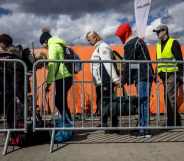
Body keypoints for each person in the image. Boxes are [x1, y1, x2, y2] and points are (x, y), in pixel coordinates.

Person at [115, 23, 154, 137]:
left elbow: (128, 64)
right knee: (143, 102)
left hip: (142, 76)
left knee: (143, 102)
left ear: (126, 34)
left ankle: (144, 131)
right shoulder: (137, 41)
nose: (120, 38)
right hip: (144, 75)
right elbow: (136, 63)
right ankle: (142, 128)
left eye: (121, 36)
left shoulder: (130, 43)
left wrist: (123, 80)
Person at [85, 31, 120, 131]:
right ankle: (104, 123)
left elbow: (108, 64)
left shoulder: (103, 47)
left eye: (89, 39)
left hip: (105, 81)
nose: (88, 42)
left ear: (95, 37)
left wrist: (115, 79)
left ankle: (114, 125)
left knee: (108, 103)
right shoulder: (98, 48)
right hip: (101, 82)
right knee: (103, 102)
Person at [153, 24, 183, 126]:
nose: (157, 34)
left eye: (158, 31)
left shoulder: (173, 43)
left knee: (170, 98)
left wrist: (181, 76)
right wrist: (155, 74)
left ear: (165, 31)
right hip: (163, 75)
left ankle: (173, 122)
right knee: (168, 98)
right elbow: (158, 61)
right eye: (156, 32)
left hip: (172, 74)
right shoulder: (157, 45)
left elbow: (179, 60)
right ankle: (175, 120)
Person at [39, 30, 73, 120]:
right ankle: (67, 122)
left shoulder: (53, 46)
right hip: (65, 76)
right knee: (61, 101)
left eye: (42, 44)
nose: (43, 47)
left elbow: (53, 65)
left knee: (59, 101)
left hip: (63, 76)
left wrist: (48, 82)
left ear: (45, 41)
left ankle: (68, 123)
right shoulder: (59, 44)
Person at [0, 33, 24, 128]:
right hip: (10, 92)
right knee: (11, 112)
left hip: (7, 91)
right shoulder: (15, 57)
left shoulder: (12, 57)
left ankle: (11, 133)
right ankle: (12, 132)